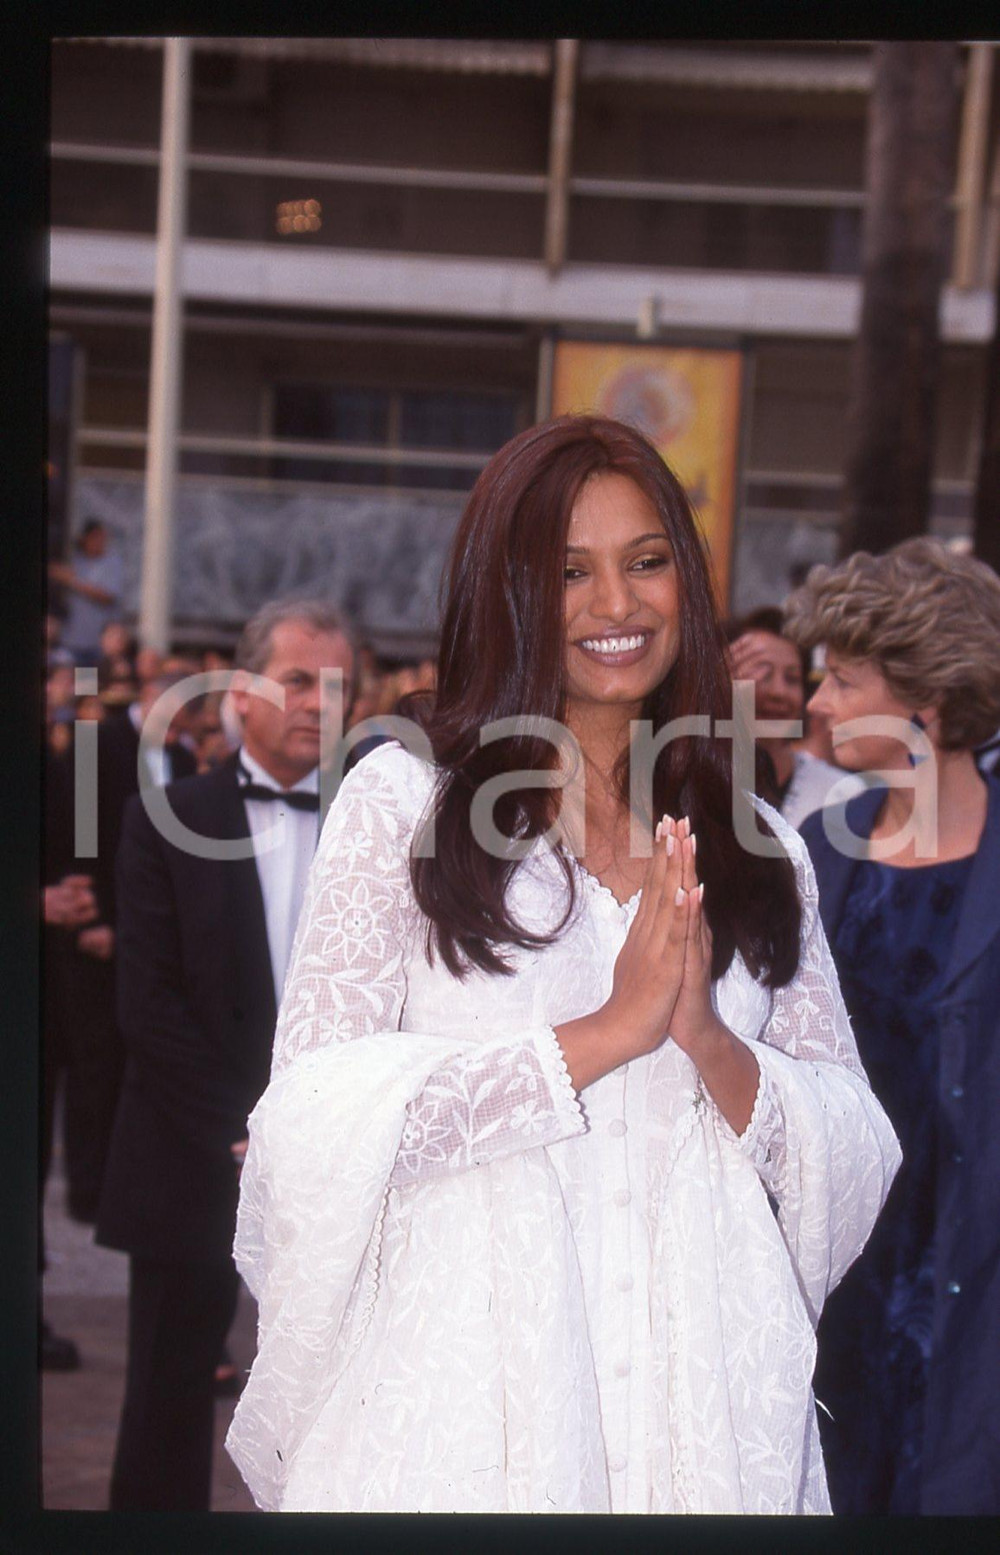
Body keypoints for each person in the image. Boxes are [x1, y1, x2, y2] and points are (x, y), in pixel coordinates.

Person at [226, 416, 900, 1515]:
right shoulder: (407, 804)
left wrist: (709, 1041)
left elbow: (852, 1141)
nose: (618, 606)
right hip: (472, 1400)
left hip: (704, 1403)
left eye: (644, 563)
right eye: (568, 572)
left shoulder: (757, 841)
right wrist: (599, 1036)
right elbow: (307, 1120)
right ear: (505, 593)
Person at [95, 598, 357, 1511]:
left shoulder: (376, 823)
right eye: (298, 681)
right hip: (189, 1149)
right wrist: (243, 1131)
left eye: (339, 687)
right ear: (240, 691)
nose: (321, 705)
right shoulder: (162, 816)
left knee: (341, 1406)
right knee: (166, 1405)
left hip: (339, 1163)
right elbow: (148, 1005)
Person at [782, 538, 1000, 1516]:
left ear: (926, 695)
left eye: (840, 676)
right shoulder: (812, 851)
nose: (817, 701)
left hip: (977, 1286)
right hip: (837, 1285)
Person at [726, 607, 865, 827]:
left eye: (792, 679)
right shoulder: (690, 787)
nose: (778, 693)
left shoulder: (844, 796)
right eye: (762, 675)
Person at [48, 519, 124, 666]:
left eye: (103, 538)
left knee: (87, 687)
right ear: (85, 538)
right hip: (69, 641)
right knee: (64, 685)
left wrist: (72, 580)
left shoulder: (112, 562)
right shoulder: (75, 560)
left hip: (95, 644)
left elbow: (108, 596)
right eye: (96, 537)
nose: (100, 542)